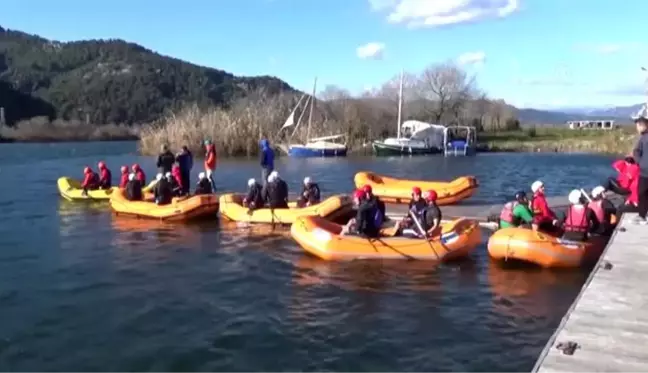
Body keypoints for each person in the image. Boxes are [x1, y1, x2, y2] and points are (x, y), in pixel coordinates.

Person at [632, 108, 648, 224]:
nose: (637, 127)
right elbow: (636, 151)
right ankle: (642, 215)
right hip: (644, 171)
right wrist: (640, 162)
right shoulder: (643, 138)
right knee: (642, 193)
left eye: (639, 124)